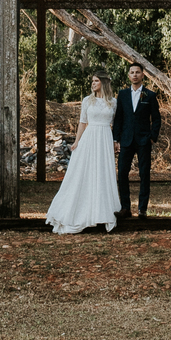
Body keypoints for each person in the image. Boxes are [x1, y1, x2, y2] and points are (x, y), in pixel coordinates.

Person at [44, 73, 121, 235]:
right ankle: (79, 211)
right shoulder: (87, 100)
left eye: (96, 81)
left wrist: (115, 141)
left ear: (104, 83)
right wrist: (77, 141)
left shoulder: (113, 102)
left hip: (105, 138)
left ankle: (102, 211)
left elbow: (116, 124)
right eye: (92, 81)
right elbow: (82, 122)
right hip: (90, 137)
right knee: (84, 173)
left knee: (102, 173)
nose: (93, 84)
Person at [112, 64, 161, 220]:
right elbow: (118, 118)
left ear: (142, 75)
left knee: (144, 174)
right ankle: (125, 207)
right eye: (132, 72)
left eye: (137, 72)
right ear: (128, 75)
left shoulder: (150, 95)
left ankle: (142, 209)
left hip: (143, 140)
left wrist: (152, 137)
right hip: (126, 140)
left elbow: (156, 118)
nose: (135, 75)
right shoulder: (122, 94)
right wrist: (116, 139)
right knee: (122, 173)